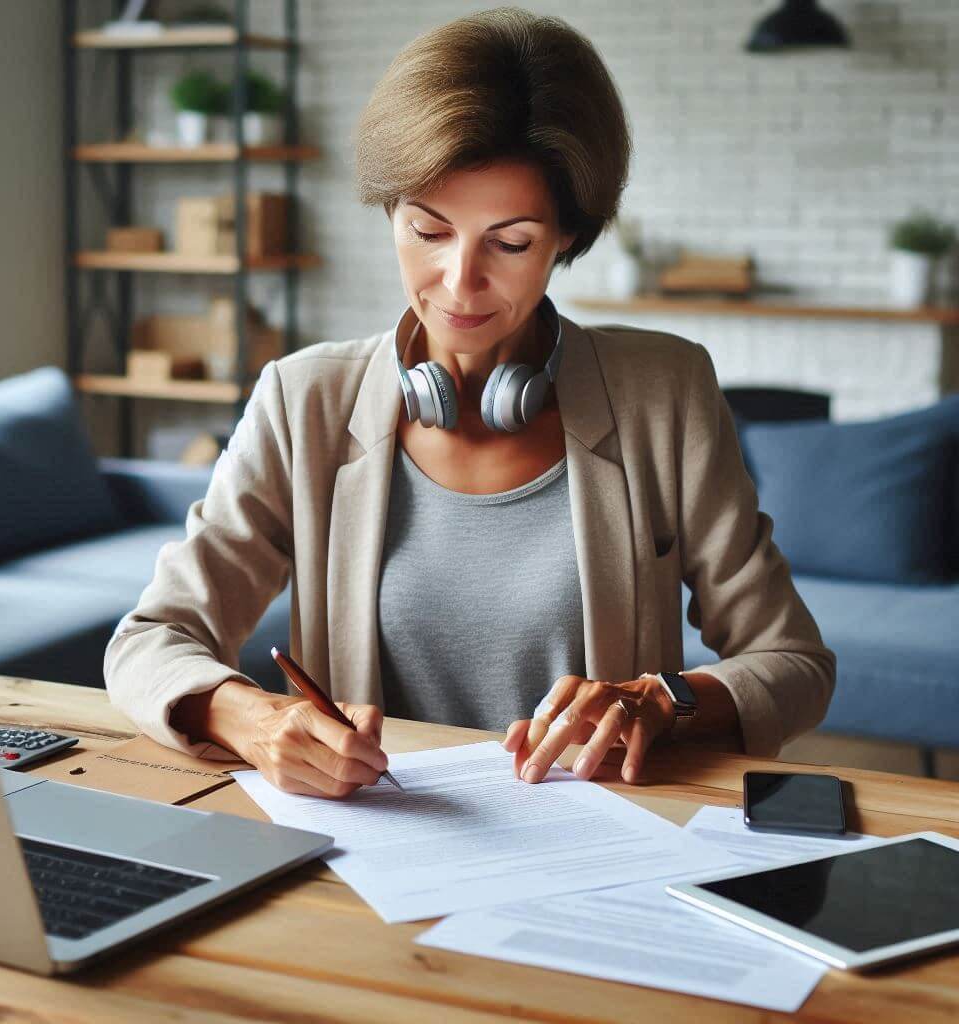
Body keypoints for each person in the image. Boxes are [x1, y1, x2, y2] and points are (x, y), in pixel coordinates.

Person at [104, 7, 834, 799]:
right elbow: (150, 640)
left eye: (511, 242)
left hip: (604, 844)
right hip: (377, 850)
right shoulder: (303, 399)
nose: (458, 282)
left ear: (566, 237)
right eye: (428, 230)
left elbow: (792, 663)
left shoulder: (665, 391)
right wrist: (247, 717)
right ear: (390, 214)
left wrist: (666, 700)